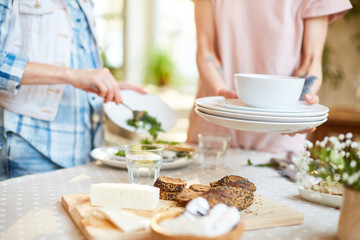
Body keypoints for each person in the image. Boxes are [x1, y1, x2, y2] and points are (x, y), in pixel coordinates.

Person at [0, 0, 146, 180]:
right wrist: (70, 74)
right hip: (31, 147)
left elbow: (78, 67)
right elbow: (73, 73)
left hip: (88, 150)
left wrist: (110, 86)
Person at [187, 0, 352, 155]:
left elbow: (311, 60)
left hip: (279, 137)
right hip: (213, 133)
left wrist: (299, 109)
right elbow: (205, 49)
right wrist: (221, 90)